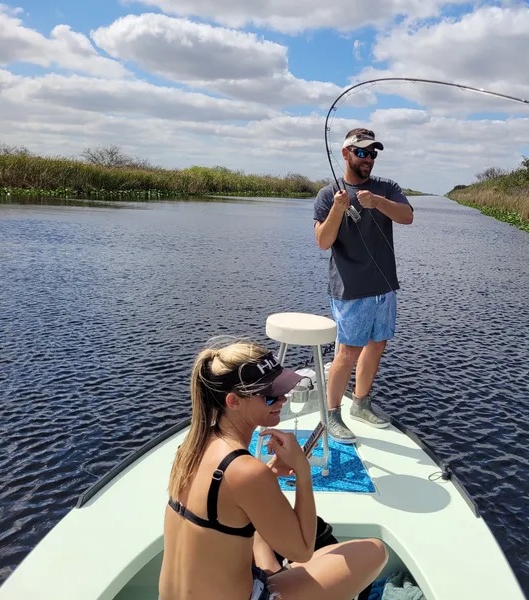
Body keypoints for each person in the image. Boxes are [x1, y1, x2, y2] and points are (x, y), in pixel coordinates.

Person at [159, 338, 388, 600]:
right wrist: (302, 470)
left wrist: (267, 474)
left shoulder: (190, 448)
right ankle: (275, 574)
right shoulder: (246, 472)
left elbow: (227, 505)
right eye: (270, 396)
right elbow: (303, 550)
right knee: (374, 551)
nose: (282, 399)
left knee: (264, 533)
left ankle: (274, 571)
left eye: (282, 389)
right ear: (233, 401)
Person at [314, 128, 414, 443]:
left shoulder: (387, 188)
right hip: (350, 289)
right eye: (361, 152)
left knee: (377, 344)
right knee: (348, 352)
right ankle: (331, 414)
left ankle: (360, 403)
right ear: (346, 154)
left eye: (372, 153)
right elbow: (323, 241)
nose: (368, 158)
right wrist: (337, 209)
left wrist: (377, 202)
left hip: (384, 286)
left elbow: (407, 217)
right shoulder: (328, 194)